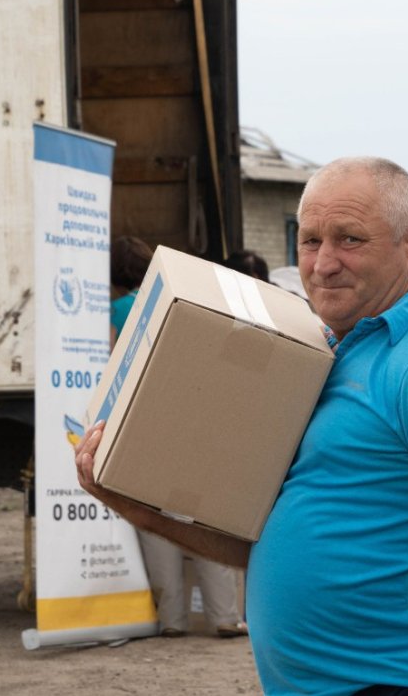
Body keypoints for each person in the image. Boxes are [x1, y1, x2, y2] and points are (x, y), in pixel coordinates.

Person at [76, 157, 408, 695]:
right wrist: (136, 505)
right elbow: (259, 541)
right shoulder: (330, 350)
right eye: (310, 240)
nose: (323, 263)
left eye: (349, 239)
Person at [109, 235, 247, 639]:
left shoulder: (114, 312)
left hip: (141, 428)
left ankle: (172, 619)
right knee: (204, 516)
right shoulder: (180, 298)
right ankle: (225, 616)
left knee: (155, 519)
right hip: (194, 423)